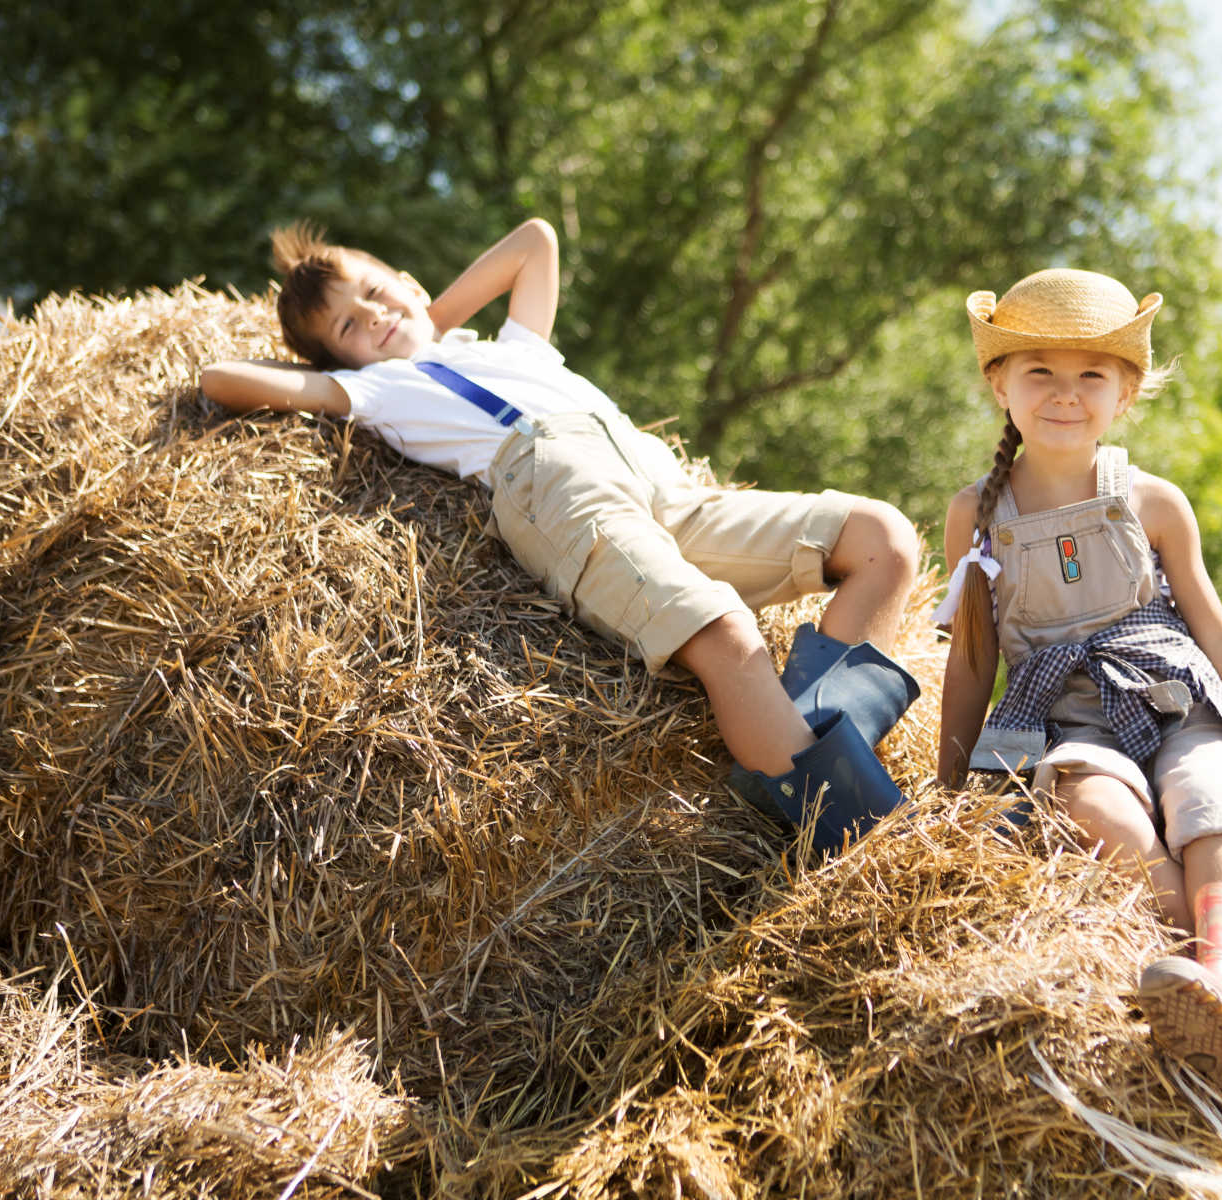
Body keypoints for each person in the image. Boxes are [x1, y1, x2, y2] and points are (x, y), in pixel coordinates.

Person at [200, 217, 922, 850]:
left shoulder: (516, 346)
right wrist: (372, 356)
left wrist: (429, 316)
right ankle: (864, 838)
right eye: (348, 327)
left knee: (879, 539)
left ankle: (800, 762)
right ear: (340, 362)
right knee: (726, 636)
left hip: (662, 484)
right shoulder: (379, 388)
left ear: (410, 284)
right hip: (554, 483)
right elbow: (219, 377)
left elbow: (534, 241)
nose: (371, 316)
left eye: (374, 292)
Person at [931, 268, 1222, 1104]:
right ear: (1000, 386)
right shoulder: (975, 515)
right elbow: (974, 660)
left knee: (1210, 799)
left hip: (1175, 701)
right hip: (1063, 718)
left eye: (1092, 373)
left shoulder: (1153, 501)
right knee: (1092, 807)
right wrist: (948, 793)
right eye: (1041, 373)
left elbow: (1217, 635)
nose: (1066, 394)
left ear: (1127, 392)